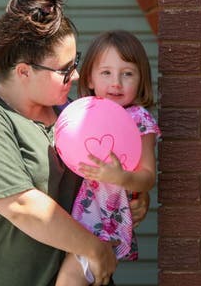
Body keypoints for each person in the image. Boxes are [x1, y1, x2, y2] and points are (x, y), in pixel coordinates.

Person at [0, 0, 134, 286]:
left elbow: (100, 188)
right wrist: (94, 248)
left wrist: (128, 193)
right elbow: (23, 206)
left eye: (76, 62)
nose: (77, 75)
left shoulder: (73, 114)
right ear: (24, 71)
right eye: (64, 69)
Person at [55, 30, 161, 286]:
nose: (116, 82)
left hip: (105, 220)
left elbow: (147, 178)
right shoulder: (80, 113)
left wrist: (120, 177)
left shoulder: (139, 119)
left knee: (69, 278)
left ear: (141, 79)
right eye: (106, 73)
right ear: (89, 77)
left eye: (127, 74)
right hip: (75, 220)